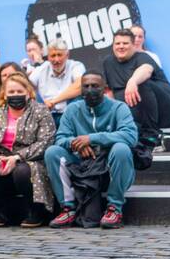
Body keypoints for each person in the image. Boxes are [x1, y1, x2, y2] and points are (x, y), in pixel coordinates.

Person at [43, 72, 138, 229]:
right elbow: (60, 138)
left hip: (108, 168)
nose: (90, 90)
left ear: (104, 88)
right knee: (52, 152)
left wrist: (92, 138)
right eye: (86, 86)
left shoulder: (119, 108)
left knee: (122, 149)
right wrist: (77, 144)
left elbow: (130, 136)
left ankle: (114, 208)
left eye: (95, 86)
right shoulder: (72, 109)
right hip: (82, 166)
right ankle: (68, 208)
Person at [0, 72, 57, 227]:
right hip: (0, 159)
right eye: (11, 92)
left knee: (22, 171)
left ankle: (35, 212)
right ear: (4, 94)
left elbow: (46, 141)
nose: (15, 95)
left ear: (28, 92)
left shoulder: (40, 110)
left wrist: (17, 157)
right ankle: (3, 212)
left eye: (19, 91)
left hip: (31, 161)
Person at [102, 28, 170, 159]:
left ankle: (151, 134)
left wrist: (132, 81)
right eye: (117, 43)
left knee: (141, 84)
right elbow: (108, 90)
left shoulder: (142, 57)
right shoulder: (108, 62)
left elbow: (146, 70)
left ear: (133, 45)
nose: (121, 46)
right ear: (113, 46)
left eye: (125, 43)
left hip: (164, 108)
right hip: (133, 109)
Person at [28, 39, 85, 128]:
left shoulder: (76, 66)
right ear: (48, 57)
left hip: (71, 115)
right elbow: (26, 87)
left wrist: (53, 101)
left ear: (67, 55)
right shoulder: (41, 69)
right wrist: (40, 104)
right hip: (47, 116)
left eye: (59, 55)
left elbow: (80, 85)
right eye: (53, 56)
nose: (56, 59)